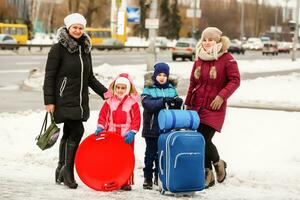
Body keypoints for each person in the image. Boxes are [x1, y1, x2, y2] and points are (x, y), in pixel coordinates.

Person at [43, 13, 107, 189]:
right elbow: (49, 76)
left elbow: (90, 77)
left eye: (80, 28)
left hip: (79, 100)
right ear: (68, 28)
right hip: (63, 98)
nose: (78, 30)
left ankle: (61, 168)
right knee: (77, 130)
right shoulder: (58, 48)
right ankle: (68, 171)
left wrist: (105, 93)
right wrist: (49, 101)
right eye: (74, 27)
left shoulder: (85, 49)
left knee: (69, 132)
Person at [185, 27, 240, 188]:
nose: (207, 43)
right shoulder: (199, 59)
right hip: (196, 106)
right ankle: (208, 174)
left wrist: (221, 96)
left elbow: (235, 80)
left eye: (211, 40)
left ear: (218, 41)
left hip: (214, 107)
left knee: (203, 139)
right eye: (205, 40)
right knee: (198, 140)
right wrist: (188, 103)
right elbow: (193, 83)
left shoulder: (227, 58)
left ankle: (218, 163)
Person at [94, 73, 141, 191]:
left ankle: (125, 181)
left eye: (123, 88)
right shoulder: (109, 102)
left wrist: (132, 132)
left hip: (126, 136)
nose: (120, 90)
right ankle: (111, 178)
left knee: (126, 159)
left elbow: (136, 119)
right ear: (115, 88)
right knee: (111, 158)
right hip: (111, 135)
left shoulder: (132, 103)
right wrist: (100, 127)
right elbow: (103, 116)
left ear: (128, 88)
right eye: (118, 87)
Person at [141, 62, 183, 189]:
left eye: (165, 75)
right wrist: (162, 101)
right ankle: (147, 177)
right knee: (150, 154)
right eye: (159, 74)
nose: (162, 77)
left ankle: (159, 176)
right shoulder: (148, 89)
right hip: (152, 128)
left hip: (167, 130)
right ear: (155, 76)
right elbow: (148, 105)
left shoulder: (172, 90)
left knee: (162, 155)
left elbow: (176, 110)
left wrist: (177, 102)